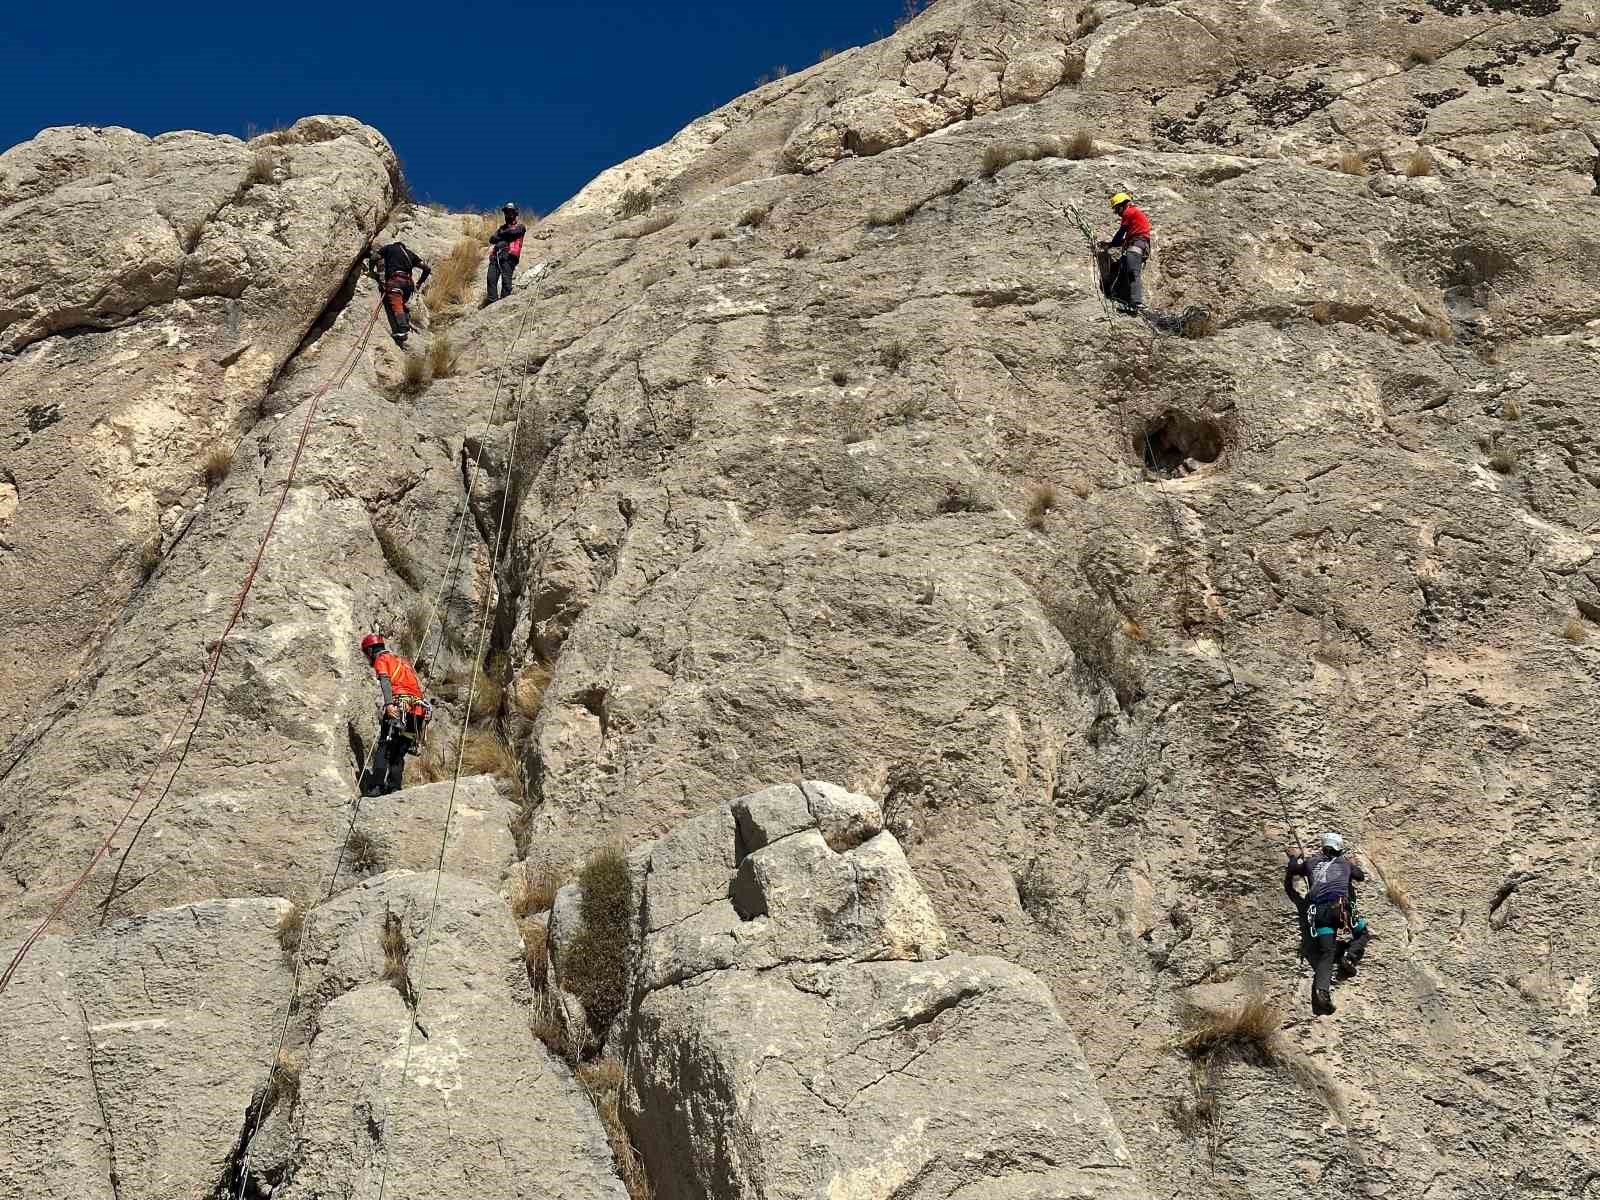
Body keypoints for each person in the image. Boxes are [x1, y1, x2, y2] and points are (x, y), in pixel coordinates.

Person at [1285, 832, 1370, 1016]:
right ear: (1339, 848)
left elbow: (1293, 870)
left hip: (1320, 913)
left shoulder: (1311, 863)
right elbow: (1361, 876)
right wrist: (1353, 865)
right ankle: (1349, 956)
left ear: (1323, 847)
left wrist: (1294, 857)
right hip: (1341, 909)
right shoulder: (1344, 863)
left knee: (1327, 953)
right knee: (1362, 932)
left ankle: (1321, 991)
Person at [359, 633, 429, 796]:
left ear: (370, 651)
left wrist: (389, 704)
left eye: (367, 654)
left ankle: (376, 786)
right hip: (417, 713)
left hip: (399, 709)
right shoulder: (404, 661)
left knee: (385, 746)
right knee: (400, 749)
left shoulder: (382, 659)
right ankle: (394, 786)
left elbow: (385, 680)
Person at [367, 238, 432, 347]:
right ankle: (404, 322)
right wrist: (419, 283)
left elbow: (374, 257)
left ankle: (402, 329)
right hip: (408, 285)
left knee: (396, 303)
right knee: (401, 304)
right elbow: (427, 268)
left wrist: (371, 271)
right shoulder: (410, 254)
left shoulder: (389, 248)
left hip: (395, 281)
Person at [1102, 192, 1152, 312]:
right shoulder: (1134, 215)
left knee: (1132, 273)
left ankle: (1135, 303)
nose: (1117, 213)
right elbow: (1126, 238)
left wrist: (1112, 244)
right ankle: (1117, 295)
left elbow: (1121, 232)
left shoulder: (1128, 212)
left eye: (1116, 209)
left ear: (1122, 205)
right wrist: (1110, 244)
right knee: (1120, 267)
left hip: (1136, 246)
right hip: (1138, 245)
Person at [486, 202, 527, 305]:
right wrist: (504, 234)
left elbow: (514, 233)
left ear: (515, 213)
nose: (508, 214)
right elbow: (492, 239)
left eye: (510, 212)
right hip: (496, 256)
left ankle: (504, 302)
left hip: (509, 256)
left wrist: (501, 235)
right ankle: (493, 303)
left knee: (506, 280)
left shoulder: (520, 226)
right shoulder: (501, 228)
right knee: (491, 278)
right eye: (506, 212)